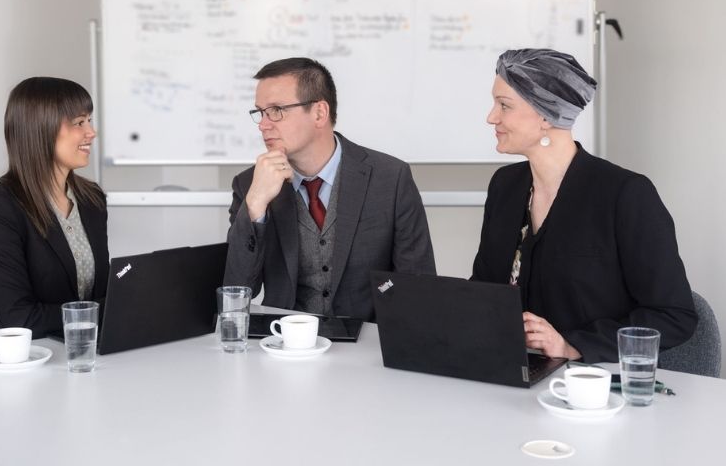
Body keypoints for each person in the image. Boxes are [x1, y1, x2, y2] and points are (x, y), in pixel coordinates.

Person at [472, 48, 697, 363]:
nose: (491, 117)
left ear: (546, 115)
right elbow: (484, 290)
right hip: (511, 370)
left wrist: (572, 345)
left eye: (504, 105)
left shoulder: (625, 194)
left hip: (592, 381)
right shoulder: (505, 186)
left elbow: (673, 315)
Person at [224, 57, 436, 321]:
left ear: (319, 113)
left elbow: (418, 285)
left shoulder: (390, 178)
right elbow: (236, 291)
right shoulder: (250, 185)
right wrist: (255, 206)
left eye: (276, 110)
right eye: (260, 112)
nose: (263, 125)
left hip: (369, 339)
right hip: (283, 339)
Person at [0, 77, 110, 338]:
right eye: (79, 123)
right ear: (41, 130)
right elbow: (19, 317)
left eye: (89, 120)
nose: (91, 132)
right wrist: (101, 311)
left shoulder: (92, 199)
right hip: (31, 354)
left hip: (88, 349)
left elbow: (101, 292)